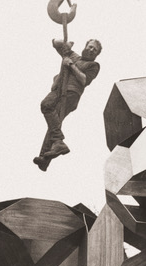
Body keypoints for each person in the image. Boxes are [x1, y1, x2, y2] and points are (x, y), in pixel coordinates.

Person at [34, 38, 102, 170]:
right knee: (52, 120)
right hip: (58, 89)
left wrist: (71, 65)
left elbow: (84, 80)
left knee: (54, 122)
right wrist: (66, 43)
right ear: (85, 46)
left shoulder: (94, 66)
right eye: (90, 46)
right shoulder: (72, 55)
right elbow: (55, 43)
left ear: (97, 54)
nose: (91, 50)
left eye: (95, 49)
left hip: (71, 93)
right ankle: (51, 151)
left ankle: (47, 154)